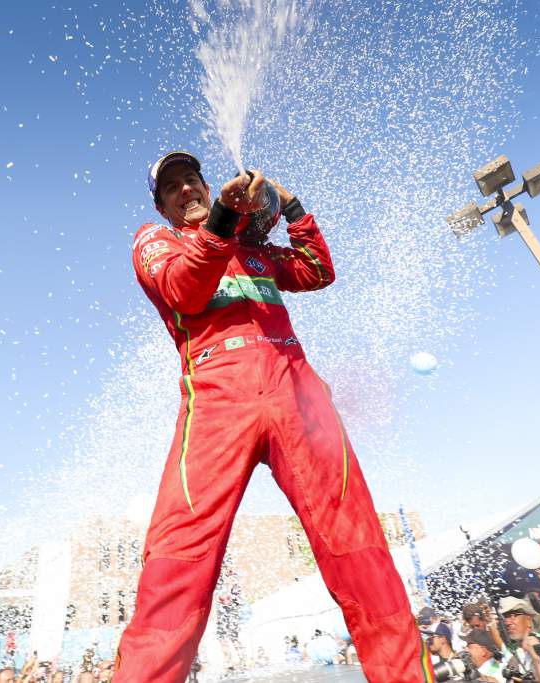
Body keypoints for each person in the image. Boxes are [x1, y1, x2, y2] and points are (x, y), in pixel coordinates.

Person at [113, 151, 429, 683]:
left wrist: (289, 204)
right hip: (217, 399)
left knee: (359, 548)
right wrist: (221, 223)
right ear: (161, 206)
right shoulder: (156, 240)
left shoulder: (251, 248)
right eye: (173, 188)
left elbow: (317, 269)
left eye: (193, 179)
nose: (186, 189)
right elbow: (183, 292)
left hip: (297, 392)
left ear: (208, 186)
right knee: (177, 562)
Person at [498, 596, 540, 683]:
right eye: (505, 617)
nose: (507, 622)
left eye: (513, 616)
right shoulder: (513, 659)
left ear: (528, 620)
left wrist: (535, 657)